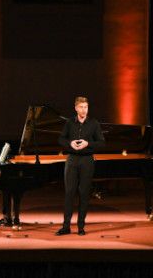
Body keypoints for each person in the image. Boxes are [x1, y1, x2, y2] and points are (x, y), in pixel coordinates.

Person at [55, 96, 105, 235]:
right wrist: (70, 143)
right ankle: (66, 227)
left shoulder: (94, 123)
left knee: (84, 193)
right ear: (76, 108)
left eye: (86, 107)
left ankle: (81, 227)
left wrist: (88, 143)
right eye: (81, 107)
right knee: (69, 193)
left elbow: (101, 142)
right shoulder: (70, 122)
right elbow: (61, 139)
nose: (84, 110)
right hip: (72, 160)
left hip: (87, 160)